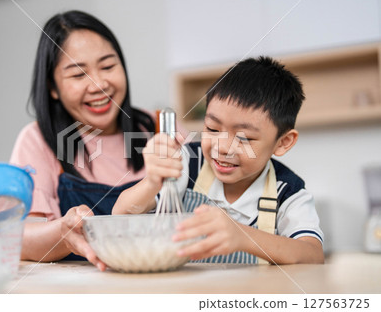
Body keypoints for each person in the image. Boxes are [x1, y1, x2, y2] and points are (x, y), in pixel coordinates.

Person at [113, 56, 325, 265]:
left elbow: (313, 255)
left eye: (244, 138)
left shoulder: (288, 191)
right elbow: (121, 213)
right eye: (212, 129)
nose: (222, 147)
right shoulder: (187, 163)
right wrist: (152, 182)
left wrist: (242, 236)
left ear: (283, 142)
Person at [7, 10, 159, 268]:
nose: (98, 85)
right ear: (52, 87)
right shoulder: (38, 139)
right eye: (78, 75)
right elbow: (13, 238)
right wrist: (62, 232)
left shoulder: (158, 126)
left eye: (108, 66)